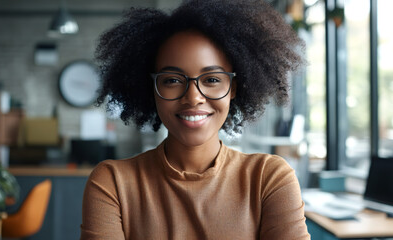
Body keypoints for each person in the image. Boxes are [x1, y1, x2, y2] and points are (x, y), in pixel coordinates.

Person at [81, 0, 310, 239]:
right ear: (152, 88)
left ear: (233, 88)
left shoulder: (269, 179)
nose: (193, 98)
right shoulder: (113, 183)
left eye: (211, 79)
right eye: (172, 80)